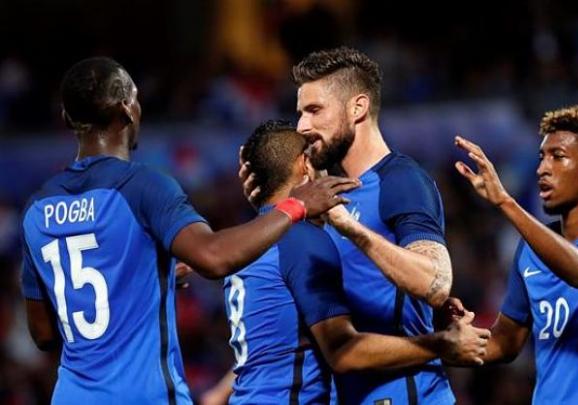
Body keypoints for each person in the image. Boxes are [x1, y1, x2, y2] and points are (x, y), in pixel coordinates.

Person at [19, 57, 359, 404]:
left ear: (66, 118)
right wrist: (296, 205)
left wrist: (144, 280)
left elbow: (44, 333)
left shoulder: (36, 207)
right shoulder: (143, 186)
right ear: (128, 109)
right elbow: (213, 257)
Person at [241, 47, 461, 404]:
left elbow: (436, 282)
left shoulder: (401, 180)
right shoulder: (329, 194)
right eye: (300, 113)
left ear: (357, 108)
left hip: (407, 393)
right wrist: (269, 206)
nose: (302, 126)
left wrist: (351, 228)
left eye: (314, 110)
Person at [219, 120, 489, 404]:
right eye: (317, 158)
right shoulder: (302, 238)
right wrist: (442, 344)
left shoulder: (248, 243)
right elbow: (343, 352)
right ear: (305, 165)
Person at [454, 105, 578, 404]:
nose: (542, 169)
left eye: (557, 157)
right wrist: (452, 336)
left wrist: (505, 203)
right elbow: (503, 344)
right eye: (541, 158)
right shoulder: (530, 249)